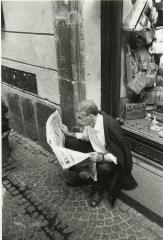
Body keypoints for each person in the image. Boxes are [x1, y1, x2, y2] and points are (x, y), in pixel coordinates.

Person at [62, 100, 137, 208]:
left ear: (91, 116)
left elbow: (118, 156)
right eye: (77, 117)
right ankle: (83, 177)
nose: (77, 121)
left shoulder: (110, 126)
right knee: (69, 141)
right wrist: (70, 133)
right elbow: (87, 137)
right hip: (95, 151)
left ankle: (99, 190)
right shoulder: (89, 123)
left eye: (80, 118)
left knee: (103, 168)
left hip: (109, 158)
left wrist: (102, 157)